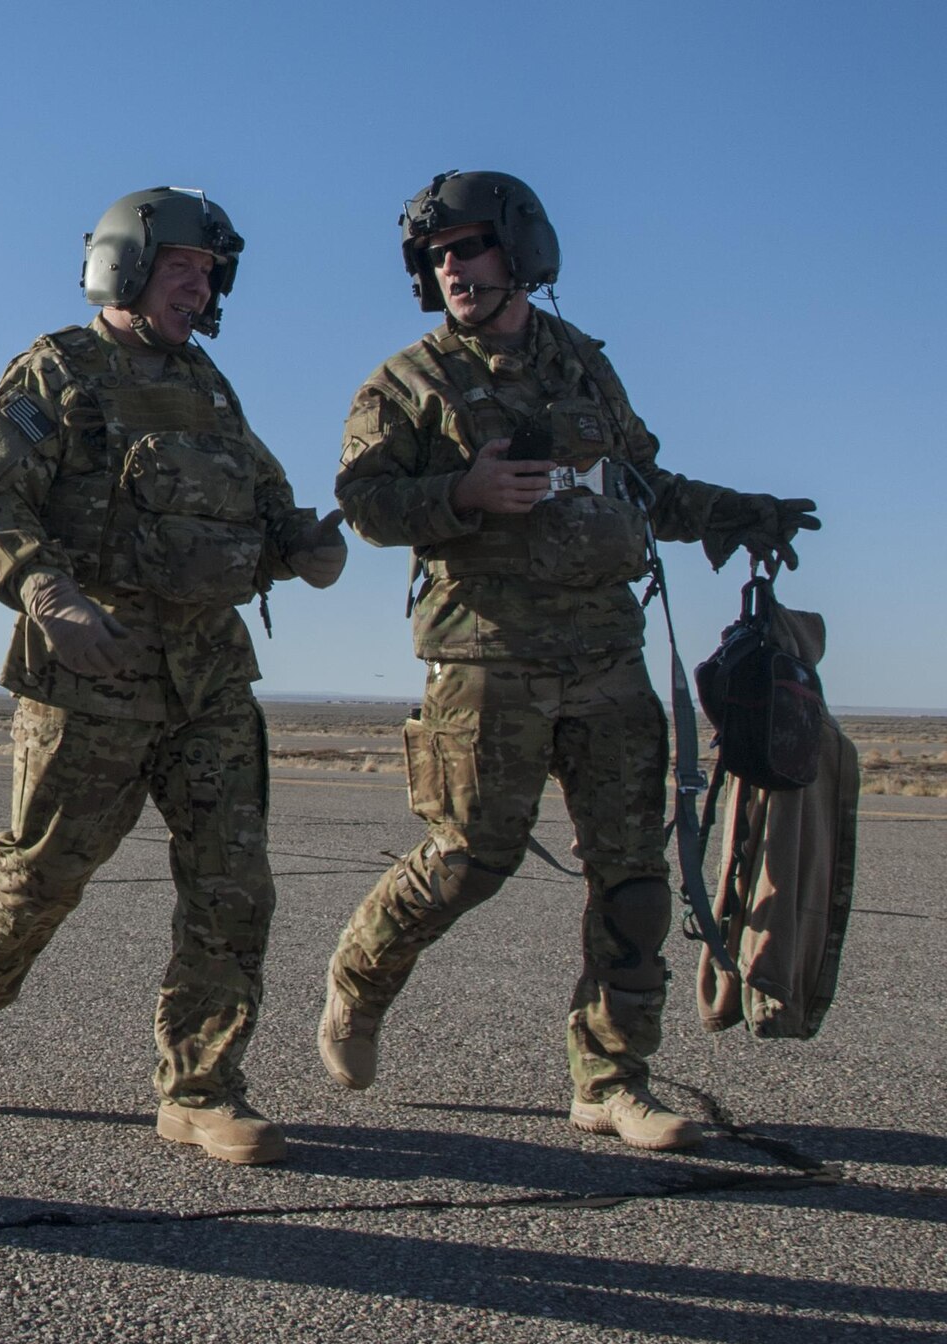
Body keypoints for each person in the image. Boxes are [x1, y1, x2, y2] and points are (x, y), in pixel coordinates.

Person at [319, 170, 819, 1151]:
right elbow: (365, 501)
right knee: (467, 861)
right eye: (437, 255)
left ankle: (609, 1075)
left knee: (632, 874)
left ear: (519, 250)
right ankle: (359, 979)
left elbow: (645, 487)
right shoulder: (405, 382)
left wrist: (742, 516)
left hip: (602, 653)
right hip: (483, 659)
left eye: (468, 246)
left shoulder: (583, 368)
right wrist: (461, 492)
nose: (451, 267)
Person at [0, 187, 349, 1166]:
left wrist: (300, 544)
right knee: (42, 873)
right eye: (180, 267)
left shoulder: (209, 389)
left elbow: (263, 501)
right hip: (91, 668)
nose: (198, 288)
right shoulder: (59, 370)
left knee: (231, 884)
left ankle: (200, 1087)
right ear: (124, 265)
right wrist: (40, 590)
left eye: (209, 272)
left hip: (206, 674)